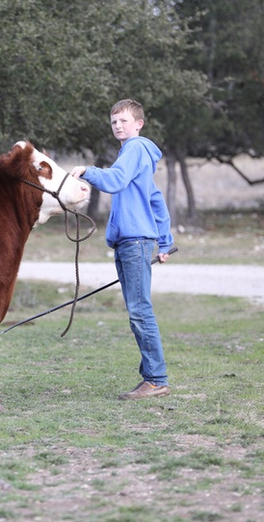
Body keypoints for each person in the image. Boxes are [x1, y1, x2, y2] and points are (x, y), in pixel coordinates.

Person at [70, 99, 174, 400]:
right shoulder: (134, 154)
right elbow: (155, 199)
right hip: (132, 242)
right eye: (114, 122)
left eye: (124, 121)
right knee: (138, 310)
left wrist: (86, 170)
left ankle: (156, 379)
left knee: (140, 311)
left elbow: (114, 181)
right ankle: (153, 377)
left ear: (138, 124)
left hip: (135, 242)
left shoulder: (135, 149)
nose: (118, 126)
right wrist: (165, 241)